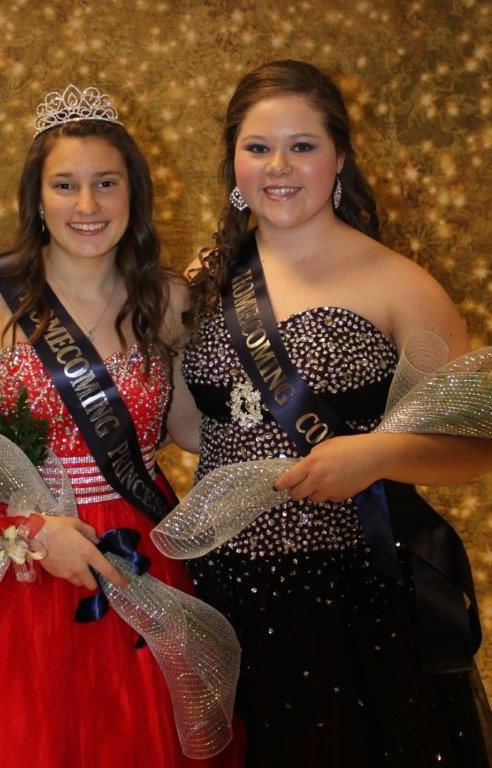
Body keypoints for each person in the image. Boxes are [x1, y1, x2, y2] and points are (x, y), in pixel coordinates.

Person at [0, 85, 242, 768]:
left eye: (106, 183)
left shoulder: (167, 297)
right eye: (65, 185)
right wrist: (35, 531)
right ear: (37, 198)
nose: (86, 205)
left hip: (140, 548)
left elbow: (187, 428)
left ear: (134, 194)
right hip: (16, 556)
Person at [181, 60, 492, 767]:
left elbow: (475, 443)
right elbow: (194, 425)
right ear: (234, 162)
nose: (279, 167)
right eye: (258, 147)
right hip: (216, 592)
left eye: (303, 145)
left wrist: (375, 455)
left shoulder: (401, 285)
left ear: (341, 157)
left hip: (346, 601)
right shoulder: (204, 282)